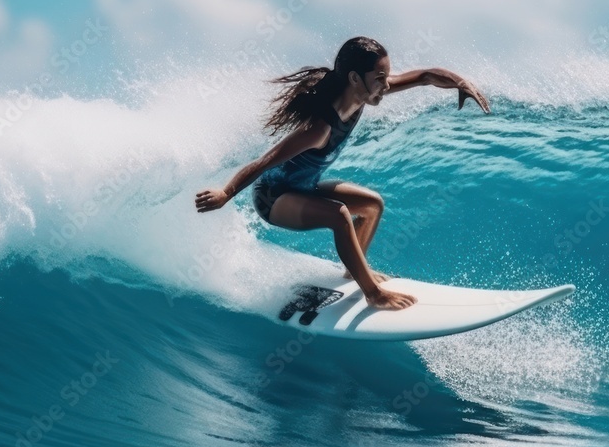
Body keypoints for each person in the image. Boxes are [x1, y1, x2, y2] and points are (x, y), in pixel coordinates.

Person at [195, 36, 490, 310]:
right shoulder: (319, 129)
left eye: (387, 77)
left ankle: (354, 270)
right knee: (339, 215)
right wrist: (226, 192)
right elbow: (266, 161)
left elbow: (425, 76)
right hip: (274, 196)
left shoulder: (364, 95)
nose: (387, 86)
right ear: (354, 78)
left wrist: (459, 82)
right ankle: (373, 294)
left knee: (372, 205)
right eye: (380, 79)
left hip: (305, 187)